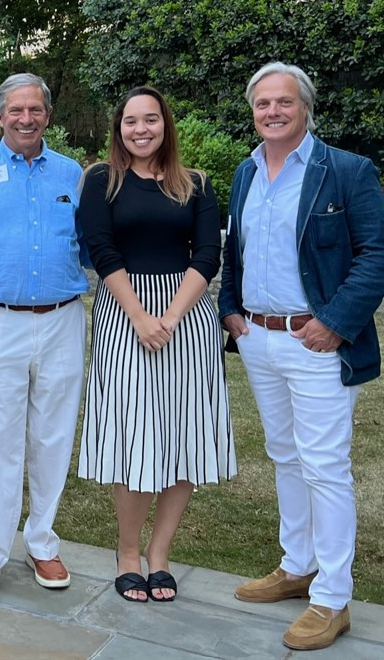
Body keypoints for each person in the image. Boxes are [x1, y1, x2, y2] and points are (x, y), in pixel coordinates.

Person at [219, 62, 384, 651]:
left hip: (315, 342)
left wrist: (334, 322)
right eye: (262, 103)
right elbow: (237, 250)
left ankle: (333, 598)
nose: (272, 112)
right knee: (285, 456)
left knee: (324, 465)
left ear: (306, 108)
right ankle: (297, 566)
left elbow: (379, 257)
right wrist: (231, 310)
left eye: (283, 103)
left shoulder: (346, 171)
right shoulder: (247, 172)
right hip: (261, 340)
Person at [76, 86, 236, 604]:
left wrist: (169, 316)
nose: (140, 129)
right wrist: (141, 316)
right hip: (124, 311)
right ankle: (127, 553)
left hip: (187, 316)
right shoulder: (101, 180)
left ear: (166, 124)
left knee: (184, 432)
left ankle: (160, 555)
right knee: (134, 434)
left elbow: (209, 254)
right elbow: (99, 249)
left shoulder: (197, 184)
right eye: (130, 121)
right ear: (117, 127)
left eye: (150, 120)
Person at [0, 73, 89, 603]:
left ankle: (43, 541)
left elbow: (89, 243)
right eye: (16, 111)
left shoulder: (71, 174)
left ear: (47, 115)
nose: (26, 119)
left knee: (53, 436)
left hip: (62, 319)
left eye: (35, 110)